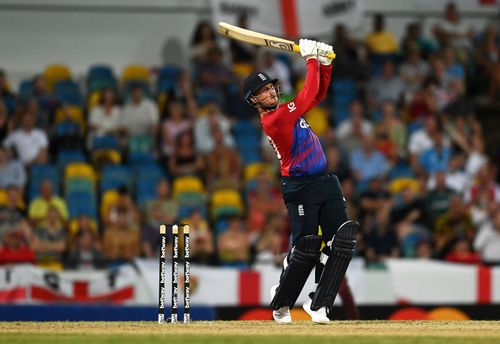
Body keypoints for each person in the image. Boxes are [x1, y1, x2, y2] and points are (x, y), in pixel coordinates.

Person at [243, 40, 358, 324]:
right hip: (299, 187)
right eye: (264, 91)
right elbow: (307, 95)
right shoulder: (274, 121)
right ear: (254, 100)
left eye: (271, 87)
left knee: (342, 239)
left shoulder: (285, 110)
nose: (271, 91)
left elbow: (315, 97)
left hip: (324, 181)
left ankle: (319, 305)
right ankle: (282, 298)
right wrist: (310, 60)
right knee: (307, 248)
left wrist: (326, 65)